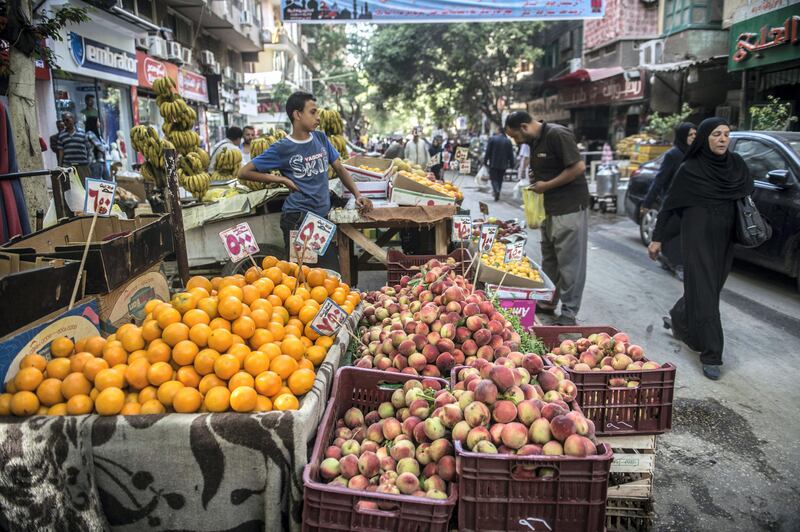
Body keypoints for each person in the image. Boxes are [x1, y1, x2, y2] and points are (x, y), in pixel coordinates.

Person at [648, 118, 753, 381]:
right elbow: (670, 207)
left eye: (726, 134)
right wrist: (657, 238)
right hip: (697, 239)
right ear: (705, 137)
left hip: (725, 238)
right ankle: (712, 355)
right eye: (716, 134)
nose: (722, 139)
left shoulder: (737, 165)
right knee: (706, 293)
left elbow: (746, 191)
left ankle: (680, 318)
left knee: (708, 289)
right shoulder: (690, 169)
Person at [239, 91, 373, 271]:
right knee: (303, 278)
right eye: (313, 112)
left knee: (328, 275)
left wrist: (358, 195)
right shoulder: (283, 147)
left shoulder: (320, 138)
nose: (318, 117)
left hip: (321, 219)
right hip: (299, 218)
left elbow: (340, 169)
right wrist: (282, 180)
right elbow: (245, 172)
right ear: (297, 114)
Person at [505, 111, 589, 326]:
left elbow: (578, 167)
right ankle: (548, 301)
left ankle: (569, 313)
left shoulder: (557, 134)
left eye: (515, 137)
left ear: (524, 127)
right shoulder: (535, 141)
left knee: (570, 264)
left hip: (569, 208)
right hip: (549, 209)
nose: (516, 142)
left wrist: (546, 185)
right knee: (550, 259)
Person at [641, 122, 697, 278]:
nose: (693, 137)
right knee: (673, 233)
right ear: (682, 136)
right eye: (690, 135)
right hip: (672, 202)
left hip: (691, 201)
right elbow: (659, 180)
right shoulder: (673, 155)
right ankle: (679, 265)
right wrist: (648, 202)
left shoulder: (695, 154)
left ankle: (667, 259)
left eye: (695, 134)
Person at [56, 112, 93, 184]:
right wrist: (60, 166)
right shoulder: (62, 135)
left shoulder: (82, 133)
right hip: (68, 166)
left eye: (67, 120)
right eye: (64, 121)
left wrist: (89, 161)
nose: (65, 122)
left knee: (84, 186)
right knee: (70, 187)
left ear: (73, 119)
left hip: (82, 165)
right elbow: (61, 151)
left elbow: (89, 148)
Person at [484, 127, 515, 201]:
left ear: (498, 131)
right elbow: (511, 154)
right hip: (503, 164)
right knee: (500, 179)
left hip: (493, 163)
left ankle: (496, 190)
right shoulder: (508, 141)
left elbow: (488, 151)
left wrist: (485, 161)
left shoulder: (492, 139)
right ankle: (498, 192)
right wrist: (512, 164)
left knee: (493, 179)